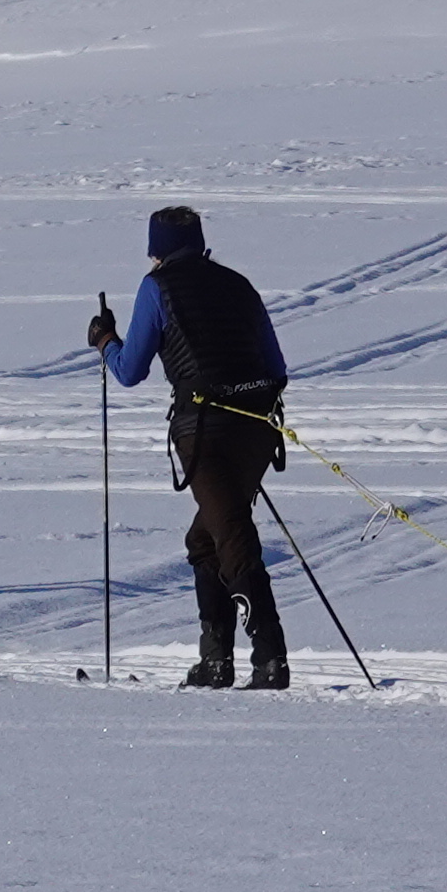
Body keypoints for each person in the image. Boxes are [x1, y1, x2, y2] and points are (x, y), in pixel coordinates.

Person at [97, 205, 290, 689]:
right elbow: (277, 365)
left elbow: (129, 371)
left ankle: (270, 660)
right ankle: (216, 660)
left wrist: (104, 341)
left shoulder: (156, 287)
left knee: (230, 537)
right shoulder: (238, 284)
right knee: (206, 539)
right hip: (259, 429)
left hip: (204, 432)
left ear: (156, 250)